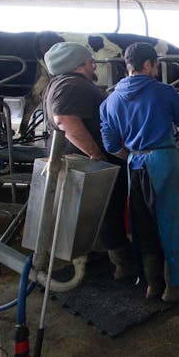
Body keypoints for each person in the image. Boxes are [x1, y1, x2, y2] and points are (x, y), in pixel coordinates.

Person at [100, 42, 179, 302]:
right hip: (164, 162)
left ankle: (152, 285)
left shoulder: (110, 100)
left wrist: (135, 155)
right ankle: (175, 287)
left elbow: (110, 145)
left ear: (128, 65)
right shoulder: (164, 91)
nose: (156, 69)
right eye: (156, 64)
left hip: (134, 165)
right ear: (148, 65)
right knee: (174, 223)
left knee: (143, 225)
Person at [41, 41, 134, 280]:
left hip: (82, 161)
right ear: (78, 65)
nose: (94, 65)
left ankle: (94, 255)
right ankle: (123, 266)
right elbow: (65, 120)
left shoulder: (60, 84)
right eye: (90, 61)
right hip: (92, 163)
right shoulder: (72, 85)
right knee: (109, 210)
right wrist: (97, 155)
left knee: (91, 212)